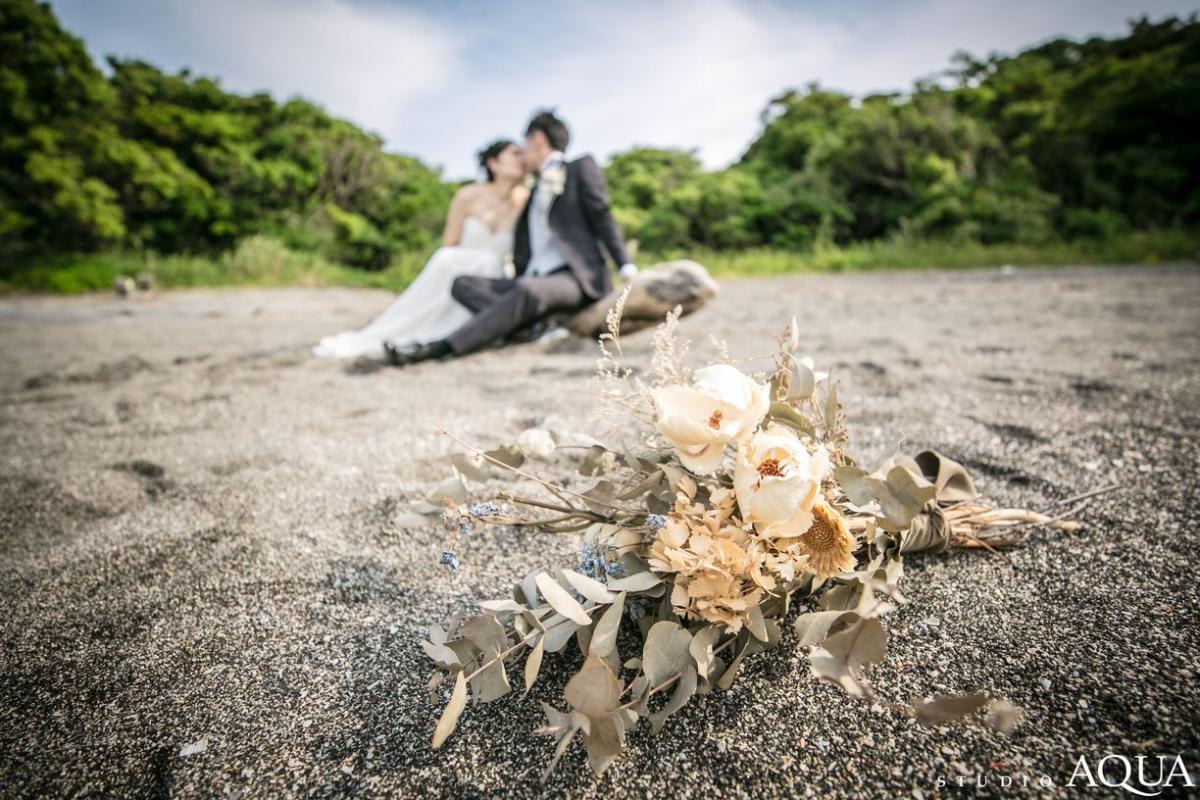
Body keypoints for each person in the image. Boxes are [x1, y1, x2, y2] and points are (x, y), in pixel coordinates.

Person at [384, 110, 637, 366]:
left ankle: (437, 348)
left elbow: (602, 214)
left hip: (576, 279)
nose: (523, 154)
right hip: (532, 278)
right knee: (463, 284)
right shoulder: (529, 192)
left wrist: (625, 265)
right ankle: (531, 326)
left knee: (528, 291)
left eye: (524, 145)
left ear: (537, 140)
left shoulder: (578, 167)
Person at [312, 140, 529, 358]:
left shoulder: (526, 200)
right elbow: (450, 242)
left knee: (490, 267)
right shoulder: (467, 195)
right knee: (446, 260)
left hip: (494, 277)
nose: (523, 158)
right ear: (493, 163)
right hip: (459, 270)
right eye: (515, 153)